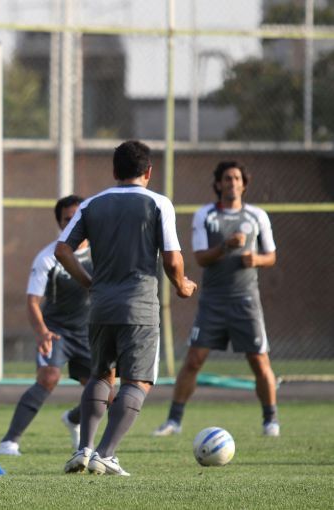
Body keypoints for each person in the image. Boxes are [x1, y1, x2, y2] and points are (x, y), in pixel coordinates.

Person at [56, 140, 197, 476]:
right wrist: (181, 285)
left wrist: (89, 283)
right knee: (138, 381)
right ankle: (105, 453)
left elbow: (62, 250)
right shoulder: (158, 203)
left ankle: (84, 450)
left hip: (101, 306)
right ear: (148, 171)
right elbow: (172, 258)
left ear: (114, 171)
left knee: (101, 376)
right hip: (139, 307)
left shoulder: (91, 204)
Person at [153, 161, 280, 438]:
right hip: (212, 301)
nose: (232, 182)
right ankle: (174, 421)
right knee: (193, 361)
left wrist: (256, 259)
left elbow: (271, 255)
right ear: (218, 184)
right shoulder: (205, 215)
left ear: (243, 184)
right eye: (227, 178)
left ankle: (271, 421)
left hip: (246, 300)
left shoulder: (257, 216)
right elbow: (200, 257)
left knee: (259, 361)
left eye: (237, 178)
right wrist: (225, 246)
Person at [0, 195, 115, 457]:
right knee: (49, 377)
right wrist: (41, 332)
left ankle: (73, 419)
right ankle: (9, 441)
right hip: (57, 331)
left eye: (78, 217)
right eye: (67, 219)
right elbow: (32, 301)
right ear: (60, 223)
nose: (73, 223)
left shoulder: (103, 252)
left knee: (106, 394)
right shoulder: (49, 257)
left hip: (90, 333)